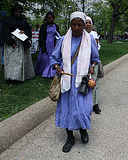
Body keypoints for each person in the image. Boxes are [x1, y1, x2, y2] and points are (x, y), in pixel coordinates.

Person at [50, 11, 100, 153]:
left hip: (82, 82)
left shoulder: (90, 39)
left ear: (85, 25)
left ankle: (83, 130)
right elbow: (54, 58)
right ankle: (70, 137)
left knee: (84, 109)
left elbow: (96, 58)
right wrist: (57, 67)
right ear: (70, 25)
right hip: (67, 82)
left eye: (80, 24)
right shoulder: (63, 40)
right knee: (67, 109)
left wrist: (92, 66)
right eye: (74, 24)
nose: (77, 27)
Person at [2, 4, 35, 82]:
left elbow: (28, 29)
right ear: (13, 12)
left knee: (22, 60)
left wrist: (24, 31)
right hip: (12, 41)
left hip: (22, 41)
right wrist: (11, 42)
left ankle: (22, 76)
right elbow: (5, 32)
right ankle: (12, 77)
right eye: (16, 12)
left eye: (20, 12)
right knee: (13, 60)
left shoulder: (23, 20)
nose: (18, 14)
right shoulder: (8, 20)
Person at [34, 12, 60, 77]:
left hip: (53, 44)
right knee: (44, 58)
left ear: (53, 18)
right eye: (48, 18)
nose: (50, 19)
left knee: (53, 58)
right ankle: (43, 71)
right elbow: (41, 35)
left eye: (51, 18)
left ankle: (52, 73)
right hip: (45, 43)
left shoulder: (56, 26)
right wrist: (42, 44)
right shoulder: (43, 26)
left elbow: (58, 35)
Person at [85, 16, 101, 114]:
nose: (87, 24)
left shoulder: (93, 34)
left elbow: (96, 49)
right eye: (86, 23)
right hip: (82, 62)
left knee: (94, 82)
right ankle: (86, 103)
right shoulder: (79, 35)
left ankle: (95, 104)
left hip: (92, 62)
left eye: (89, 23)